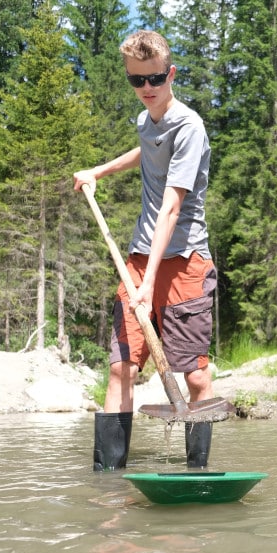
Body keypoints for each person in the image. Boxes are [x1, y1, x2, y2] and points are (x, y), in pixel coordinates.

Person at [73, 30, 217, 471]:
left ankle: (198, 473)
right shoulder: (146, 120)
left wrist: (149, 283)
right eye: (137, 81)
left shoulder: (189, 126)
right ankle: (109, 476)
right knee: (120, 368)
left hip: (185, 261)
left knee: (193, 373)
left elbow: (171, 207)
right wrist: (100, 169)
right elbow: (146, 150)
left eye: (154, 78)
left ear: (170, 73)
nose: (147, 88)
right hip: (139, 258)